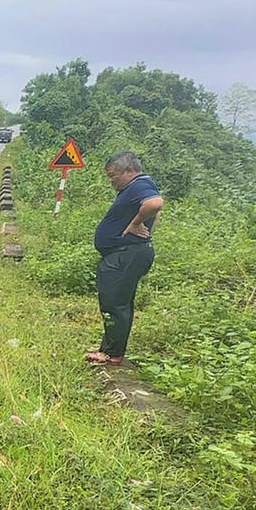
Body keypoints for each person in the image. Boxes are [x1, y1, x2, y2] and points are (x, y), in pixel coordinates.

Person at [85, 151, 163, 365]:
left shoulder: (139, 185)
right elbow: (155, 215)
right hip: (126, 253)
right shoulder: (136, 187)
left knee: (114, 304)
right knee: (117, 302)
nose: (111, 181)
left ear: (129, 171)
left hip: (125, 255)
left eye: (113, 175)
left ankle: (111, 354)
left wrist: (137, 224)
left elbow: (155, 204)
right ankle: (109, 348)